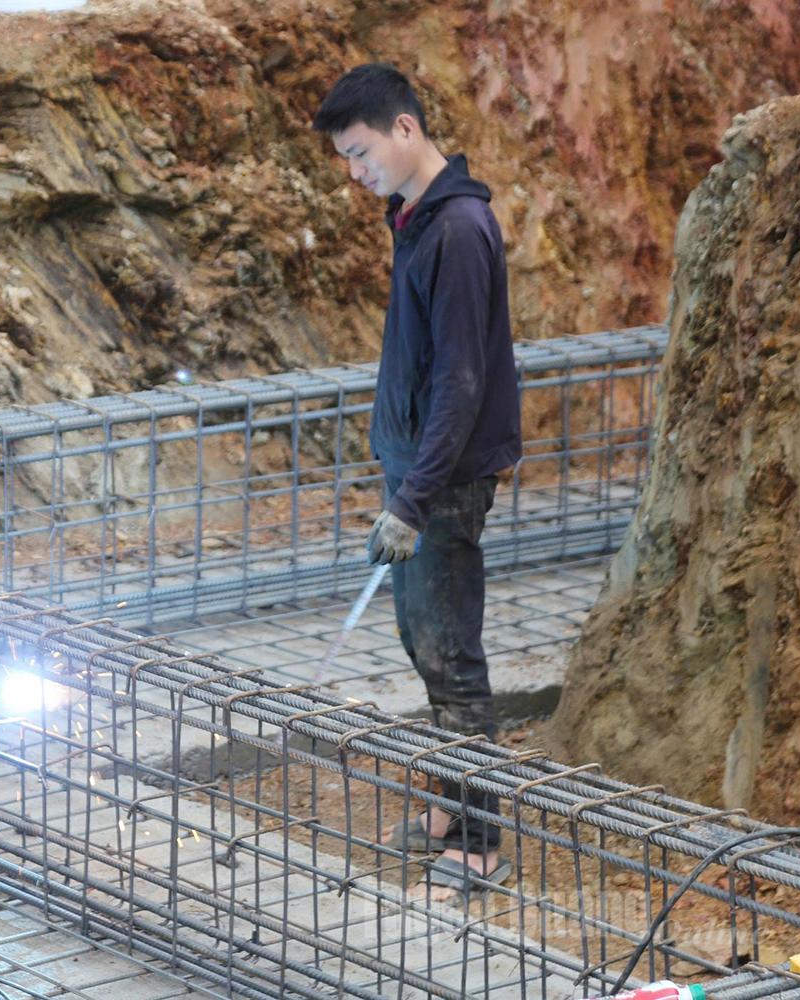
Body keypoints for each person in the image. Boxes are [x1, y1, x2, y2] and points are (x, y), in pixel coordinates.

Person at [312, 63, 522, 900]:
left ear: (405, 129)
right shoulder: (415, 218)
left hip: (443, 483)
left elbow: (463, 382)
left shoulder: (459, 229)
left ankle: (475, 843)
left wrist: (413, 498)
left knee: (450, 656)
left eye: (361, 151)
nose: (356, 171)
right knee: (424, 650)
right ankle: (448, 804)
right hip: (419, 475)